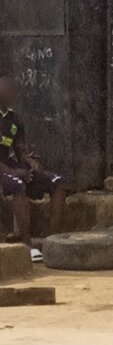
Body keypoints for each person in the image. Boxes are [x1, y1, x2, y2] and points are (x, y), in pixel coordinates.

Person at [0, 75, 66, 261]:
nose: (10, 93)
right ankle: (27, 245)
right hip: (4, 170)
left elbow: (20, 149)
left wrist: (31, 164)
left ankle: (53, 242)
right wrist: (13, 172)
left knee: (57, 183)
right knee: (18, 185)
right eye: (5, 89)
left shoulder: (14, 119)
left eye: (11, 90)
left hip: (10, 167)